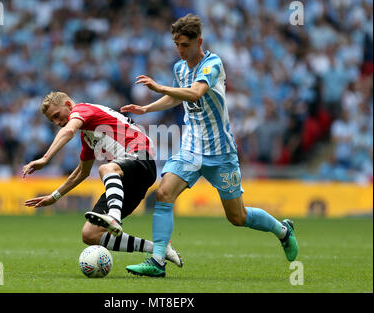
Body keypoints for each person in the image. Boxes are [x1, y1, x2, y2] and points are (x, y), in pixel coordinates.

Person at [121, 14, 298, 278]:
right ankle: (157, 261)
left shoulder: (213, 63)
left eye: (184, 45)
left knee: (237, 217)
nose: (179, 50)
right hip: (191, 148)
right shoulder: (180, 69)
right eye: (176, 44)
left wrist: (158, 87)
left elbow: (194, 93)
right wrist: (147, 108)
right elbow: (177, 98)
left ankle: (283, 230)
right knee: (164, 193)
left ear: (198, 41)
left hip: (221, 152)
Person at [22, 91, 183, 267]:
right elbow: (81, 172)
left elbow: (69, 130)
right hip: (126, 179)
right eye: (52, 120)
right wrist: (54, 197)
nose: (57, 123)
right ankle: (159, 249)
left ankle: (113, 217)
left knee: (106, 168)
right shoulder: (88, 135)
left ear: (68, 105)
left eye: (57, 116)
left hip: (141, 157)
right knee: (90, 234)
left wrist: (45, 158)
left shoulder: (83, 109)